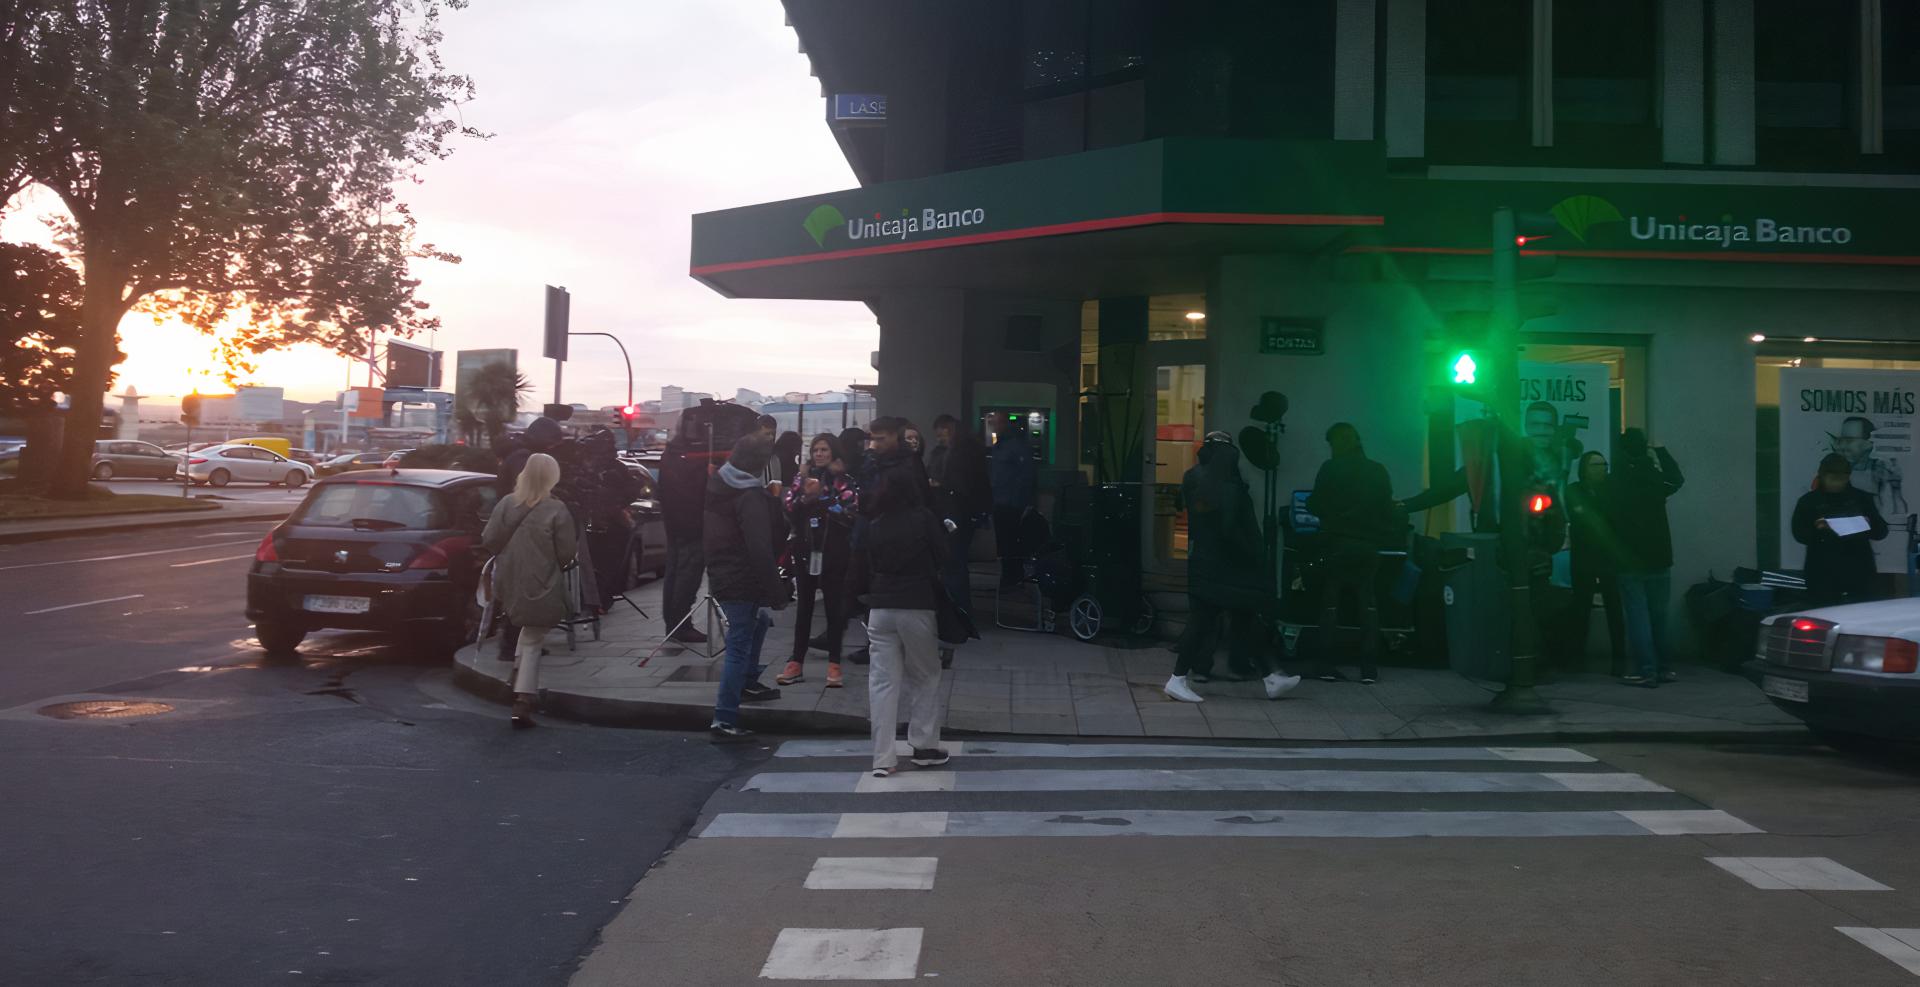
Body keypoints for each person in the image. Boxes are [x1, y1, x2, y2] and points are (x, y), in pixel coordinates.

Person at [1164, 433, 1301, 704]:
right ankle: (1177, 678)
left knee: (1237, 617)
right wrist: (1252, 554)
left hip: (1206, 562)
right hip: (1226, 567)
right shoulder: (1228, 486)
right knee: (1212, 620)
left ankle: (1272, 676)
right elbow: (1229, 528)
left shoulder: (1194, 477)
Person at [859, 468, 950, 778]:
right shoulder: (923, 518)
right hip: (916, 603)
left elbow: (865, 561)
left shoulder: (875, 524)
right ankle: (924, 746)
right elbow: (943, 556)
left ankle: (882, 758)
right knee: (926, 674)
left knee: (882, 683)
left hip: (880, 606)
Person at [482, 453, 577, 729]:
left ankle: (515, 674)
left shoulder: (506, 504)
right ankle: (523, 699)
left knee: (526, 627)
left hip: (509, 579)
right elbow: (567, 553)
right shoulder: (557, 510)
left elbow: (488, 539)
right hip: (541, 580)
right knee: (535, 636)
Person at [705, 436, 787, 738]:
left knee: (759, 622)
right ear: (759, 465)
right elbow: (760, 547)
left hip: (721, 573)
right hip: (741, 577)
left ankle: (748, 681)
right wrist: (776, 592)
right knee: (738, 643)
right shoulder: (749, 496)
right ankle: (724, 717)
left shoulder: (719, 485)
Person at [1305, 423, 1398, 685]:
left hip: (1337, 543)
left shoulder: (1331, 468)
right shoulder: (1378, 470)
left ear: (1336, 443)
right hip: (1369, 545)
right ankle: (1369, 668)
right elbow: (1387, 509)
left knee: (1330, 602)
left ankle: (1325, 663)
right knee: (1367, 604)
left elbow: (1315, 503)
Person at [778, 433, 858, 688]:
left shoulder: (843, 480)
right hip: (805, 550)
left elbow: (850, 511)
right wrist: (803, 494)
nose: (819, 454)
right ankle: (795, 661)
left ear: (834, 452)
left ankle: (835, 663)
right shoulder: (802, 479)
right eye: (815, 450)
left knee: (834, 608)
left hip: (834, 552)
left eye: (824, 449)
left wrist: (822, 497)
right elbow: (788, 507)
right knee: (805, 609)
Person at [1608, 429, 1684, 687]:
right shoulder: (1654, 478)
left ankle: (1646, 670)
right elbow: (1677, 478)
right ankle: (1665, 668)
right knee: (1659, 616)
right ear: (1644, 449)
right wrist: (1660, 450)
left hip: (1630, 557)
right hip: (1660, 555)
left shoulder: (1617, 480)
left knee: (1638, 616)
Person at [1560, 451, 1626, 677]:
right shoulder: (1574, 490)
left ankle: (1619, 659)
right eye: (1597, 465)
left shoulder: (1611, 490)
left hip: (1607, 558)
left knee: (1615, 608)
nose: (1603, 469)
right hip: (1584, 558)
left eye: (1604, 464)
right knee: (1581, 608)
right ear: (1585, 468)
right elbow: (1581, 517)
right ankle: (1576, 658)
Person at [1793, 452, 1889, 606]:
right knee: (1823, 616)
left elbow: (1881, 532)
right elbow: (1799, 534)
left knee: (1860, 617)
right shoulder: (1809, 502)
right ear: (1822, 476)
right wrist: (1819, 529)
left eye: (1842, 479)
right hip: (1822, 572)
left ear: (1848, 477)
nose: (1837, 484)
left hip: (1859, 571)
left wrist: (1867, 524)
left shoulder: (1861, 499)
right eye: (1833, 479)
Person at [930, 414, 991, 614]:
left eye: (942, 434)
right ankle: (959, 609)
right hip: (960, 512)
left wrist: (940, 484)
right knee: (955, 561)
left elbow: (962, 484)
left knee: (952, 561)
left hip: (953, 510)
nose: (940, 438)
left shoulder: (954, 454)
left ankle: (956, 608)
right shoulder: (969, 451)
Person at [657, 432, 710, 643]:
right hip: (693, 525)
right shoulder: (694, 458)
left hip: (674, 524)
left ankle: (674, 623)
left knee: (674, 574)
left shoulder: (670, 454)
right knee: (687, 576)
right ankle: (680, 625)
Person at [989, 417, 1037, 587]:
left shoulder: (1012, 446)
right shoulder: (1002, 445)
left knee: (1009, 541)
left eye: (996, 423)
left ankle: (1011, 576)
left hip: (1010, 502)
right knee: (1005, 542)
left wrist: (1021, 501)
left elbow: (1026, 475)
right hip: (1003, 500)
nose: (993, 426)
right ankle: (1011, 576)